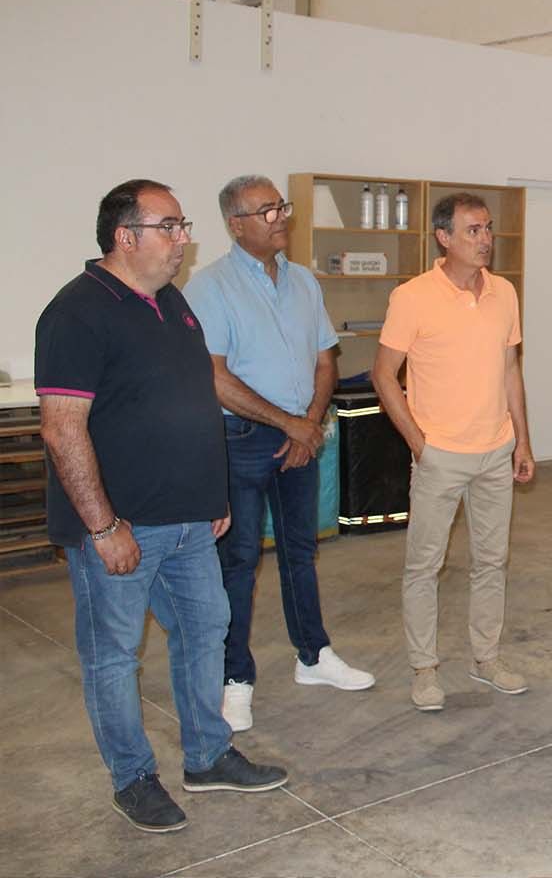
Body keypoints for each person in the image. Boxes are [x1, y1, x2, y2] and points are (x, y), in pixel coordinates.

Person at [35, 179, 287, 834]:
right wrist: (102, 525)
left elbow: (192, 399)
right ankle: (133, 778)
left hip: (188, 519)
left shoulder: (172, 302)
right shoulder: (77, 312)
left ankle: (207, 756)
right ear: (126, 237)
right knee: (114, 656)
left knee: (206, 630)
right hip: (120, 527)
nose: (183, 239)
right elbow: (62, 429)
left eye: (182, 225)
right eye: (169, 226)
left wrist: (211, 493)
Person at [184, 175, 375, 734]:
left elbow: (326, 360)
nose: (281, 218)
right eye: (266, 211)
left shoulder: (303, 281)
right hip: (240, 441)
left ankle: (313, 656)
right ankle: (235, 678)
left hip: (301, 437)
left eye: (281, 207)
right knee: (239, 561)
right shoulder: (209, 287)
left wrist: (307, 425)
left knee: (300, 553)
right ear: (235, 224)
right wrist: (289, 423)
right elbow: (215, 377)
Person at [373, 192, 535, 712]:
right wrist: (419, 443)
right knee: (425, 566)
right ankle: (424, 669)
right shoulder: (413, 297)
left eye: (487, 228)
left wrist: (522, 440)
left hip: (496, 450)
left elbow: (510, 370)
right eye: (473, 230)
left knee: (492, 561)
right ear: (444, 238)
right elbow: (383, 375)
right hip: (440, 454)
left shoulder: (504, 293)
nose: (485, 239)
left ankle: (486, 658)